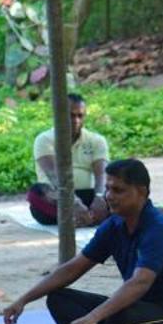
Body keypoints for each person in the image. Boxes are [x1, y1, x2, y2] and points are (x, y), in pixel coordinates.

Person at [2, 158, 163, 324]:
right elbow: (73, 268)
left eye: (118, 190)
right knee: (58, 298)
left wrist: (92, 318)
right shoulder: (113, 225)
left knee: (117, 315)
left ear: (142, 192)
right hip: (136, 306)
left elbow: (140, 283)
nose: (109, 196)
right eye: (108, 189)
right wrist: (23, 300)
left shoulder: (159, 228)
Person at [29, 93, 110, 226]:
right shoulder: (44, 140)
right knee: (35, 195)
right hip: (58, 197)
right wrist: (73, 202)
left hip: (90, 197)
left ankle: (82, 217)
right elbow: (54, 176)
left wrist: (100, 197)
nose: (76, 120)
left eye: (80, 115)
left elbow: (102, 174)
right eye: (71, 115)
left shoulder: (97, 140)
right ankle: (90, 218)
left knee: (119, 193)